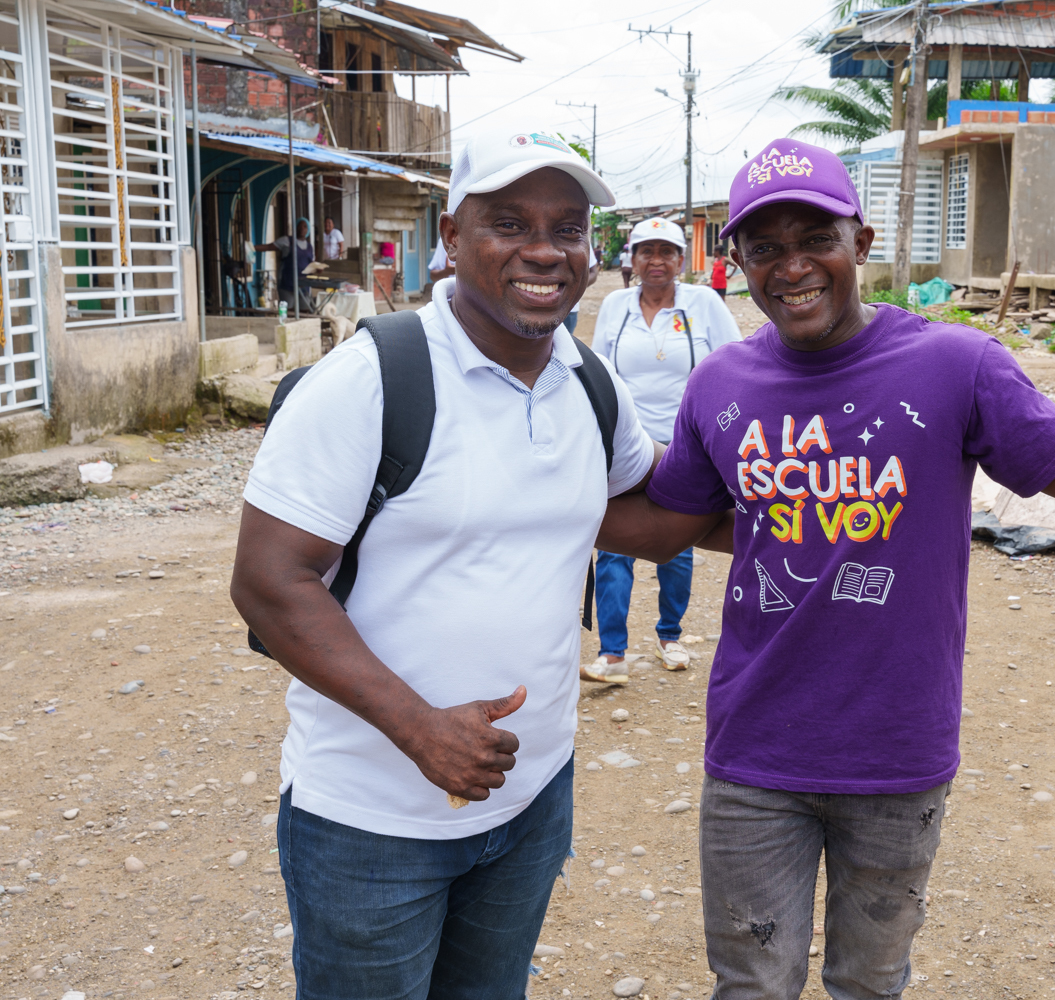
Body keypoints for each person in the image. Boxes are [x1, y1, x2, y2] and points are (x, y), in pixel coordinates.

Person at [594, 137, 1055, 1000]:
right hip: (755, 751)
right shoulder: (719, 387)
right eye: (765, 247)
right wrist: (529, 501)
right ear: (735, 262)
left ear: (862, 243)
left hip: (896, 754)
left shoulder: (955, 365)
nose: (793, 266)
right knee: (750, 987)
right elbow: (669, 524)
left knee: (870, 984)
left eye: (817, 239)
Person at [229, 123, 726, 999]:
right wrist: (420, 728)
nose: (545, 251)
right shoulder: (372, 378)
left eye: (569, 228)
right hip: (370, 821)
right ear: (453, 239)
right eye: (509, 223)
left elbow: (646, 519)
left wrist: (829, 518)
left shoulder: (586, 382)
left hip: (530, 803)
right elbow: (270, 581)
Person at [584, 218, 741, 684]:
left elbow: (733, 360)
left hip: (684, 444)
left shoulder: (703, 303)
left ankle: (670, 634)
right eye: (645, 251)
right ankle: (612, 654)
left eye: (667, 251)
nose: (656, 261)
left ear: (680, 260)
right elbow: (598, 369)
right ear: (631, 259)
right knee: (614, 545)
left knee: (680, 541)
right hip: (626, 443)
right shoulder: (616, 305)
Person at [254, 217, 315, 313]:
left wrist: (317, 270)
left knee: (304, 312)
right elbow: (269, 247)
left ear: (308, 230)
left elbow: (312, 265)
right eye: (300, 225)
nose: (302, 228)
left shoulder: (310, 247)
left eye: (305, 226)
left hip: (304, 286)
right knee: (286, 312)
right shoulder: (286, 241)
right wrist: (251, 247)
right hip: (287, 283)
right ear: (295, 227)